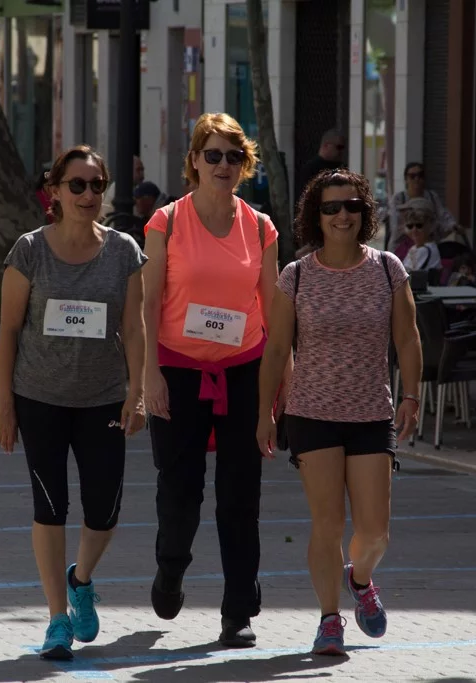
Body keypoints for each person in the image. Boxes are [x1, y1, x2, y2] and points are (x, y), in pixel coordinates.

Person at [0, 145, 148, 662]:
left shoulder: (124, 249)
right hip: (39, 398)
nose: (87, 194)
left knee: (104, 511)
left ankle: (80, 579)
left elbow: (135, 327)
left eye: (96, 185)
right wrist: (4, 405)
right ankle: (58, 619)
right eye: (76, 185)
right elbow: (9, 331)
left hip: (103, 398)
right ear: (54, 191)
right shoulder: (30, 250)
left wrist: (137, 392)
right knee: (50, 506)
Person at [257, 168, 421, 655]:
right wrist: (267, 412)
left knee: (374, 532)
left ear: (364, 212)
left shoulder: (389, 268)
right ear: (317, 216)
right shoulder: (297, 275)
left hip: (371, 413)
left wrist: (411, 394)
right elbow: (276, 348)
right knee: (327, 524)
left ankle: (361, 578)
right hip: (312, 414)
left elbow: (408, 338)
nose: (342, 215)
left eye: (351, 206)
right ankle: (330, 619)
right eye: (331, 208)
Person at [143, 112, 282, 648]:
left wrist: (278, 383)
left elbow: (272, 309)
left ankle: (238, 610)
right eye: (213, 154)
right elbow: (149, 300)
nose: (223, 165)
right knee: (180, 493)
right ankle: (171, 569)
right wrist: (149, 373)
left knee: (240, 496)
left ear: (244, 165)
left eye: (233, 156)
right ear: (194, 162)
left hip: (244, 367)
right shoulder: (167, 222)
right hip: (177, 366)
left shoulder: (261, 227)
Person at [387, 162, 458, 257]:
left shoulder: (432, 196)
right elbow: (395, 224)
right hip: (402, 248)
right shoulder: (399, 198)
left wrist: (452, 226)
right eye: (412, 176)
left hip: (427, 246)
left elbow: (443, 214)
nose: (417, 179)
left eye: (420, 175)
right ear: (406, 179)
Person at [296, 129, 345, 203]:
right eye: (339, 147)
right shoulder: (311, 168)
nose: (341, 152)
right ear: (326, 145)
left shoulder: (342, 168)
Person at [398, 197, 441, 273]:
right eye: (410, 226)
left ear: (430, 226)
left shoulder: (425, 250)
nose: (414, 230)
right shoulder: (415, 248)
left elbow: (405, 274)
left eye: (419, 225)